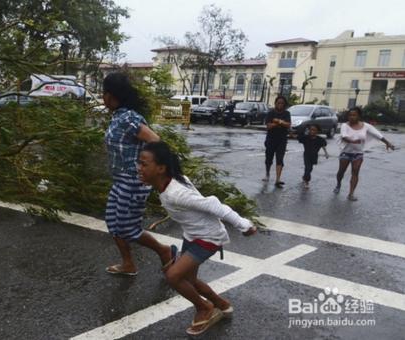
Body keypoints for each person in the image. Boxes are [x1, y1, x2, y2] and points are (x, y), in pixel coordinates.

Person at [138, 141, 257, 336]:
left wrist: (243, 224)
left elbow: (213, 204)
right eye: (140, 163)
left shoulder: (176, 193)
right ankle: (221, 304)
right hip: (193, 235)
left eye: (144, 164)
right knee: (188, 279)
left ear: (161, 168)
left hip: (208, 237)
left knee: (174, 276)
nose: (139, 168)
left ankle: (204, 308)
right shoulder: (169, 182)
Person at [103, 72, 175, 276]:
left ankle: (164, 251)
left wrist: (148, 170)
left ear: (109, 95)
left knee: (126, 227)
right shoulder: (119, 116)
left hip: (133, 181)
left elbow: (156, 141)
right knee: (113, 222)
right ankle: (128, 264)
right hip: (120, 179)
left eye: (104, 93)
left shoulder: (129, 118)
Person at [334, 107, 395, 201]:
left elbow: (377, 134)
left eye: (354, 115)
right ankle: (338, 184)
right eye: (350, 115)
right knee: (341, 172)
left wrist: (388, 143)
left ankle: (351, 194)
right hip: (345, 153)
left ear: (359, 116)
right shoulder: (344, 125)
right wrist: (353, 141)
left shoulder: (366, 126)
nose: (351, 117)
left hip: (358, 154)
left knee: (355, 172)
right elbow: (344, 136)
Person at [264, 96, 292, 187]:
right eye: (278, 103)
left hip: (282, 140)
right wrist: (280, 123)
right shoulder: (270, 113)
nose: (280, 105)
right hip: (271, 139)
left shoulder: (287, 113)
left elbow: (288, 125)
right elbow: (268, 126)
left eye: (282, 103)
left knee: (280, 159)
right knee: (269, 158)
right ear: (275, 103)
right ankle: (267, 173)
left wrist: (278, 121)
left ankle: (277, 179)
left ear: (284, 105)